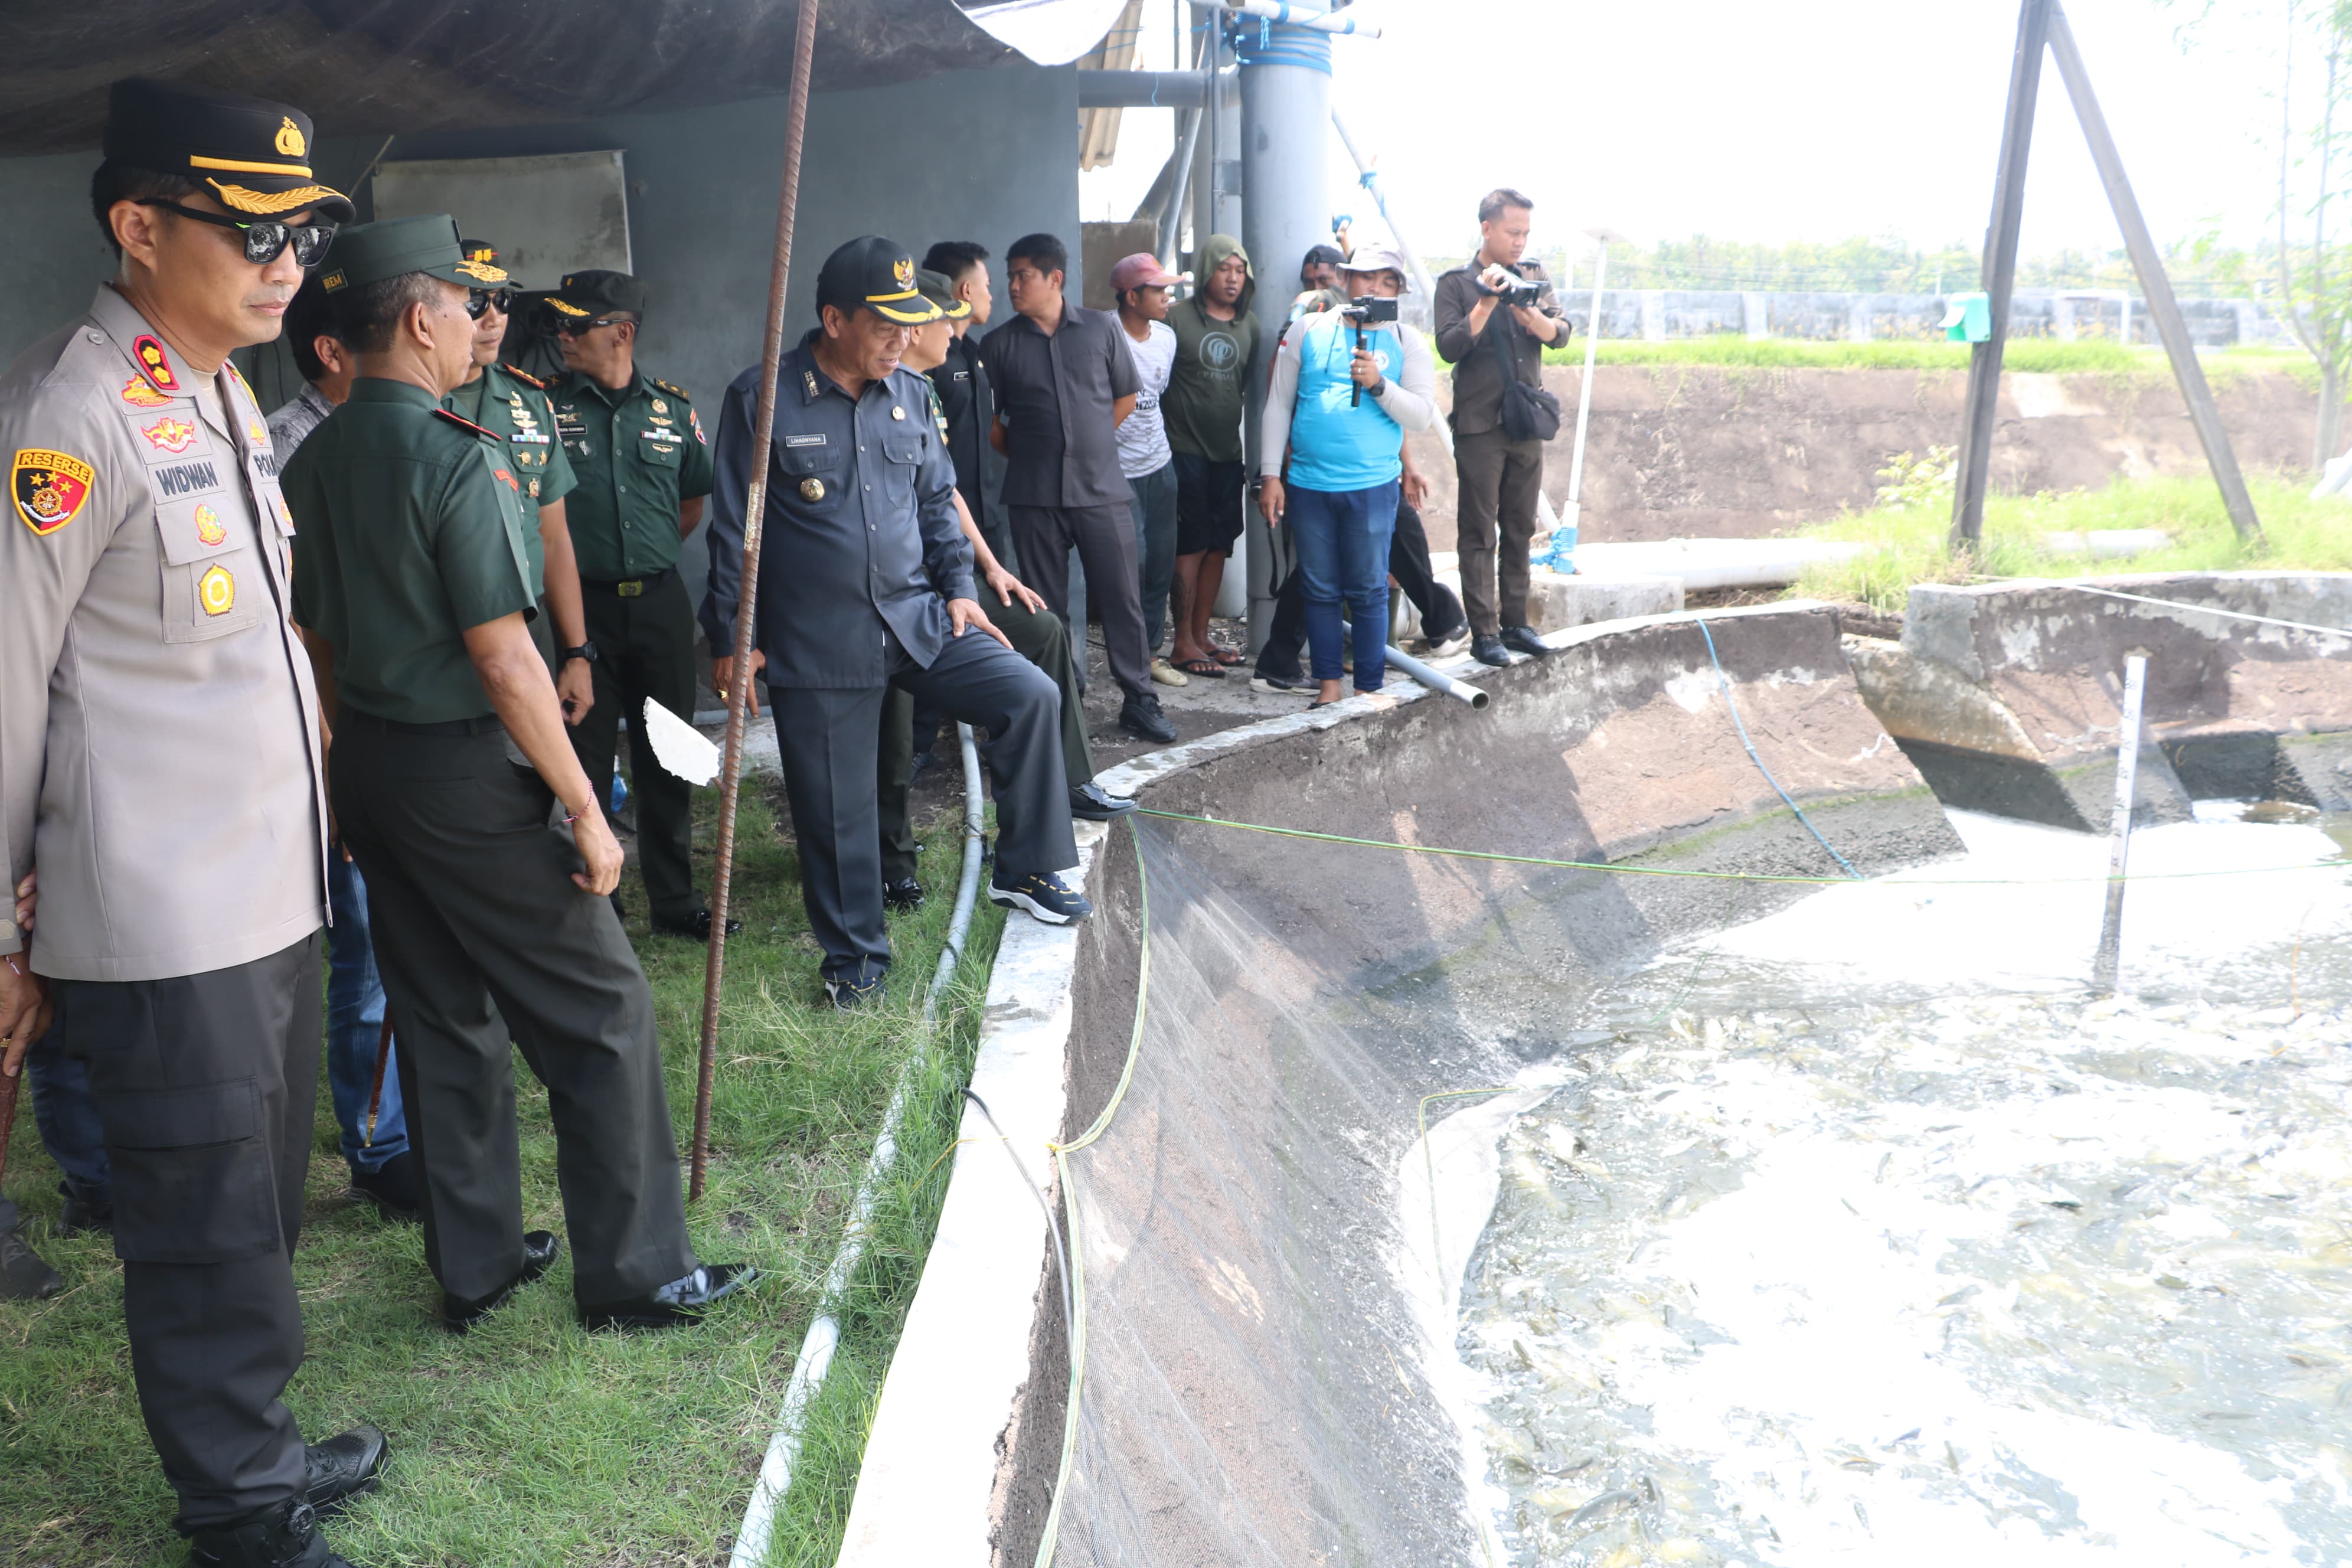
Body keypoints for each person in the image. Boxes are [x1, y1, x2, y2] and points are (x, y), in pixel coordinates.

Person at [0, 77, 386, 1568]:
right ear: (138, 224)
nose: (288, 258)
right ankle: (241, 1514)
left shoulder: (214, 387)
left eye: (304, 228)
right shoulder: (66, 415)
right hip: (160, 917)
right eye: (254, 227)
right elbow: (10, 685)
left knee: (261, 1205)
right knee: (206, 1230)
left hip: (270, 895)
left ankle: (263, 1448)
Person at [283, 216, 750, 1340]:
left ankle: (478, 1262)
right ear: (415, 316)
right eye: (460, 303)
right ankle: (637, 1275)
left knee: (439, 1010)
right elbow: (504, 658)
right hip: (458, 772)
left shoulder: (310, 456)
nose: (477, 323)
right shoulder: (456, 456)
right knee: (600, 1008)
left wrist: (350, 773)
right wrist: (588, 811)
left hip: (377, 770)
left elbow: (321, 648)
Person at [701, 237, 1092, 1009]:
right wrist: (734, 640)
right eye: (888, 325)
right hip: (821, 643)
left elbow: (938, 505)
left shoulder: (914, 396)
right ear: (834, 319)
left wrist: (958, 587)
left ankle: (1027, 866)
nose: (905, 340)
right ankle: (857, 962)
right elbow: (735, 533)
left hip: (917, 621)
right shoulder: (766, 399)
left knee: (1029, 695)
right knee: (836, 808)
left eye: (912, 324)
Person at [860, 270, 1133, 911]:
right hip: (892, 600)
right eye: (945, 318)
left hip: (944, 583)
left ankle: (1066, 785)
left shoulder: (922, 391)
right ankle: (891, 862)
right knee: (892, 731)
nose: (957, 328)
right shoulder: (884, 391)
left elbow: (942, 491)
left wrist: (989, 568)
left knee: (1040, 630)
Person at [266, 271, 423, 1219]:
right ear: (333, 352)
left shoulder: (414, 436)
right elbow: (290, 620)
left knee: (392, 939)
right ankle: (377, 1143)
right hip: (322, 730)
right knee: (354, 944)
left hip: (388, 725)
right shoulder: (281, 446)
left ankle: (397, 1133)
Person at [545, 270, 736, 940]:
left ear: (622, 333)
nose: (562, 336)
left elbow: (689, 506)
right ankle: (600, 907)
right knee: (587, 761)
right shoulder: (544, 408)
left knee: (671, 755)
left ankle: (676, 901)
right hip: (582, 613)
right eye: (561, 323)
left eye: (578, 325)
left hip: (657, 603)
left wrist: (641, 558)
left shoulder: (673, 410)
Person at [982, 233, 1177, 745]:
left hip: (1102, 491)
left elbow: (1126, 396)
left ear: (1055, 279)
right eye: (1009, 277)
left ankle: (1139, 699)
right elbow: (992, 424)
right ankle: (1062, 704)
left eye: (1022, 275)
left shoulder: (1099, 329)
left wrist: (1086, 447)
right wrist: (1033, 457)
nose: (1013, 286)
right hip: (1033, 497)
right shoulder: (999, 344)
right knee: (1046, 609)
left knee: (1121, 598)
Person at [1257, 242, 1439, 705]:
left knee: (1369, 588)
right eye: (1366, 277)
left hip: (1373, 487)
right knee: (1318, 588)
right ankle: (1329, 687)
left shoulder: (1407, 341)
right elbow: (1278, 404)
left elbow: (1420, 415)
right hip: (1309, 485)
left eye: (1387, 280)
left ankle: (1368, 689)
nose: (1375, 287)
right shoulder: (1306, 329)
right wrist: (1271, 475)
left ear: (1398, 289)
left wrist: (1378, 384)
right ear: (1345, 279)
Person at [1434, 187, 1572, 667]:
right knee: (1478, 531)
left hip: (1526, 422)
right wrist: (1487, 302)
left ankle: (1516, 624)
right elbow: (1449, 347)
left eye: (1526, 233)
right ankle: (1484, 632)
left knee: (1519, 526)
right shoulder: (1455, 283)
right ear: (1487, 228)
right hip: (1478, 424)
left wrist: (1527, 310)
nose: (1520, 242)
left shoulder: (1533, 276)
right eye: (1513, 232)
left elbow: (1561, 335)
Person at [1161, 234, 1259, 678]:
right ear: (1207, 272)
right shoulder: (1176, 320)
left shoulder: (1250, 326)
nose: (1233, 278)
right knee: (1191, 545)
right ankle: (1181, 642)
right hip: (1184, 452)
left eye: (1240, 271)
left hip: (1227, 455)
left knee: (1219, 545)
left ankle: (1201, 636)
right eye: (1225, 269)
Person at [1109, 252, 1183, 684]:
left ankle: (1150, 655)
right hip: (1116, 469)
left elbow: (1157, 394)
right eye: (1157, 290)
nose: (1166, 296)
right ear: (1132, 296)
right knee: (1130, 564)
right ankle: (1130, 658)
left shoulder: (1167, 338)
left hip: (1160, 464)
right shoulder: (1103, 333)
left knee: (1160, 561)